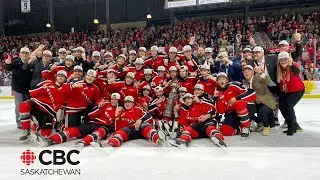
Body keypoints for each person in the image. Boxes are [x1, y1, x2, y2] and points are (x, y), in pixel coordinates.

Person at [30, 93, 122, 147]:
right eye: (112, 99)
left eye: (116, 100)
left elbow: (118, 126)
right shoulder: (103, 104)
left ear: (119, 101)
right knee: (73, 130)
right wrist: (98, 108)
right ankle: (50, 140)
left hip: (105, 127)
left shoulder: (121, 109)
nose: (113, 101)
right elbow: (90, 115)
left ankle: (83, 142)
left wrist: (117, 116)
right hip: (92, 123)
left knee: (100, 131)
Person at [19, 70, 67, 140]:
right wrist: (42, 88)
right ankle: (25, 128)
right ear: (56, 77)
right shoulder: (47, 82)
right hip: (38, 104)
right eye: (59, 76)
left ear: (65, 79)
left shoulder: (65, 89)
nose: (60, 78)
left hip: (48, 111)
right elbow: (31, 92)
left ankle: (32, 126)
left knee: (46, 133)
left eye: (62, 77)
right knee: (24, 105)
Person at [215, 72, 256, 139]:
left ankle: (246, 126)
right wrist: (217, 99)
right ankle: (240, 127)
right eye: (219, 79)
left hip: (247, 107)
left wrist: (237, 98)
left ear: (227, 80)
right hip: (233, 113)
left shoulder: (234, 85)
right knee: (226, 131)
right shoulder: (219, 94)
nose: (221, 80)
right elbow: (221, 111)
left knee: (238, 103)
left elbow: (252, 93)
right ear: (217, 81)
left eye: (223, 79)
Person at [242, 65, 277, 136]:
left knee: (262, 110)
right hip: (255, 102)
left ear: (252, 72)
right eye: (245, 72)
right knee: (244, 109)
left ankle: (266, 126)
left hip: (266, 101)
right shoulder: (244, 81)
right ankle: (259, 121)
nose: (247, 73)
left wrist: (261, 73)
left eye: (249, 71)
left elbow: (267, 81)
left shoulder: (257, 77)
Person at [277, 52, 305, 136]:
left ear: (288, 59)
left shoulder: (293, 66)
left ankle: (291, 127)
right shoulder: (279, 69)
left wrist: (291, 64)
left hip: (297, 90)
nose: (283, 61)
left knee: (288, 106)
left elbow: (297, 72)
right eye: (281, 60)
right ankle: (292, 124)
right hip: (286, 91)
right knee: (282, 106)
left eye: (285, 59)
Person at [4, 47, 32, 129]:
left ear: (28, 55)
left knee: (28, 106)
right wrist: (7, 64)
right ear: (20, 54)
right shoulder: (16, 62)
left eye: (26, 53)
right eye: (22, 53)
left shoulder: (31, 63)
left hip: (28, 89)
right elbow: (9, 68)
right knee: (19, 106)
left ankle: (28, 121)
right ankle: (19, 123)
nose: (24, 54)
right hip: (18, 89)